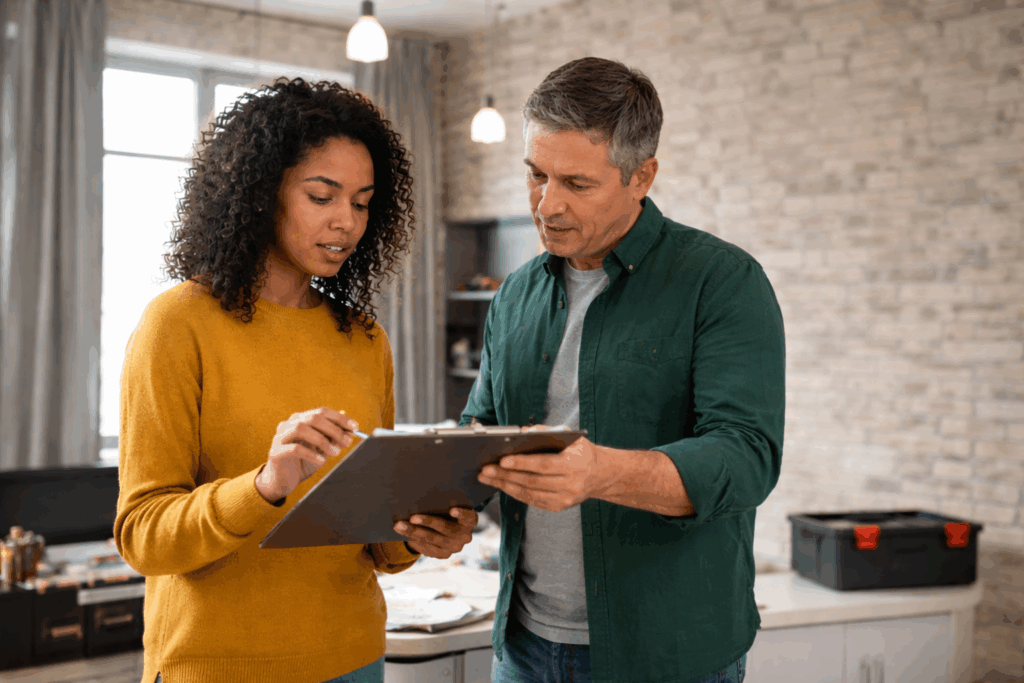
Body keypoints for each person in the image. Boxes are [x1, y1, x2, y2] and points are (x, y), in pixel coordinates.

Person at [114, 78, 477, 683]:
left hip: (355, 658)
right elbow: (144, 536)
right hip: (216, 666)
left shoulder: (364, 340)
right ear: (260, 195)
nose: (346, 222)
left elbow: (379, 546)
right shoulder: (178, 324)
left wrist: (425, 531)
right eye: (321, 196)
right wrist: (262, 486)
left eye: (361, 203)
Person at [463, 57, 786, 683]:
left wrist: (601, 473)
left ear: (642, 176)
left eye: (576, 184)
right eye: (536, 176)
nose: (546, 205)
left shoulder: (722, 281)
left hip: (667, 653)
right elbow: (483, 425)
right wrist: (439, 499)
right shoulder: (515, 293)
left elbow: (745, 458)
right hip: (523, 646)